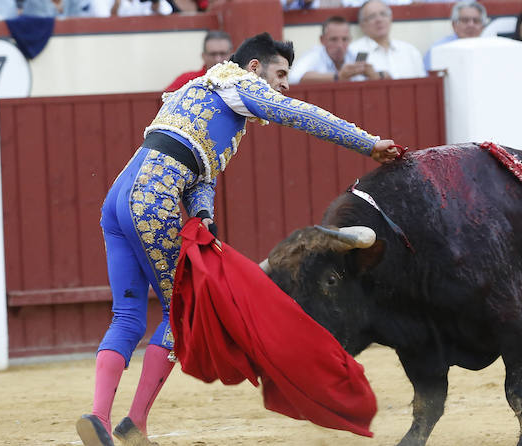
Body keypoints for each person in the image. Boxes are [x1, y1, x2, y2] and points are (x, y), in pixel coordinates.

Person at [75, 31, 400, 446]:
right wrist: (367, 143)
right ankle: (134, 423)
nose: (285, 84)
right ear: (254, 67)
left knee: (127, 316)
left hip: (119, 199)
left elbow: (196, 171)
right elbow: (301, 115)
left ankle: (99, 416)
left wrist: (204, 214)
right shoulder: (240, 85)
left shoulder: (198, 91)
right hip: (150, 197)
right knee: (180, 313)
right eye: (279, 73)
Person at [289, 15, 381, 83]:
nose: (340, 45)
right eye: (334, 39)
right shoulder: (314, 55)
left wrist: (375, 75)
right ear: (322, 40)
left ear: (350, 39)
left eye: (344, 39)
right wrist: (337, 77)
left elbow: (388, 73)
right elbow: (293, 78)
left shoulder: (354, 53)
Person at [349, 0, 425, 78]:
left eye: (383, 14)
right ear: (362, 24)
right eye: (372, 16)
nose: (379, 20)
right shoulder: (354, 51)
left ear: (390, 18)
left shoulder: (409, 50)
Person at [423, 0, 486, 70]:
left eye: (476, 21)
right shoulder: (437, 49)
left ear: (482, 27)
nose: (471, 25)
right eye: (465, 20)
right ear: (454, 25)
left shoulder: (488, 48)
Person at [164, 29, 233, 91]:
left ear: (231, 55)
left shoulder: (240, 81)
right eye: (213, 54)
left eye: (223, 54)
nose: (218, 59)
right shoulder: (188, 80)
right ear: (203, 56)